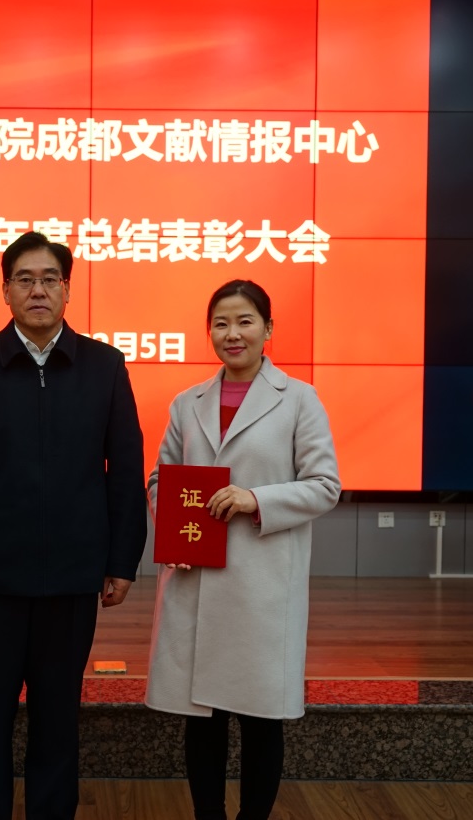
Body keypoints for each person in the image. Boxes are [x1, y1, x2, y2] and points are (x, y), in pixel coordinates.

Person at [0, 230, 148, 820]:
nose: (38, 290)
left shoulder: (104, 366)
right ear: (5, 291)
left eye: (50, 279)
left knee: (58, 718)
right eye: (24, 279)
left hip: (73, 579)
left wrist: (122, 561)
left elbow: (125, 470)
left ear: (68, 290)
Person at [144, 279, 341, 820]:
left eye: (245, 321)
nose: (232, 334)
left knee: (260, 720)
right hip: (196, 580)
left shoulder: (299, 399)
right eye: (221, 323)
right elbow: (160, 479)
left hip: (262, 588)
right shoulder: (187, 403)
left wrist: (256, 499)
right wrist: (171, 528)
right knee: (201, 721)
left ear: (268, 329)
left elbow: (325, 485)